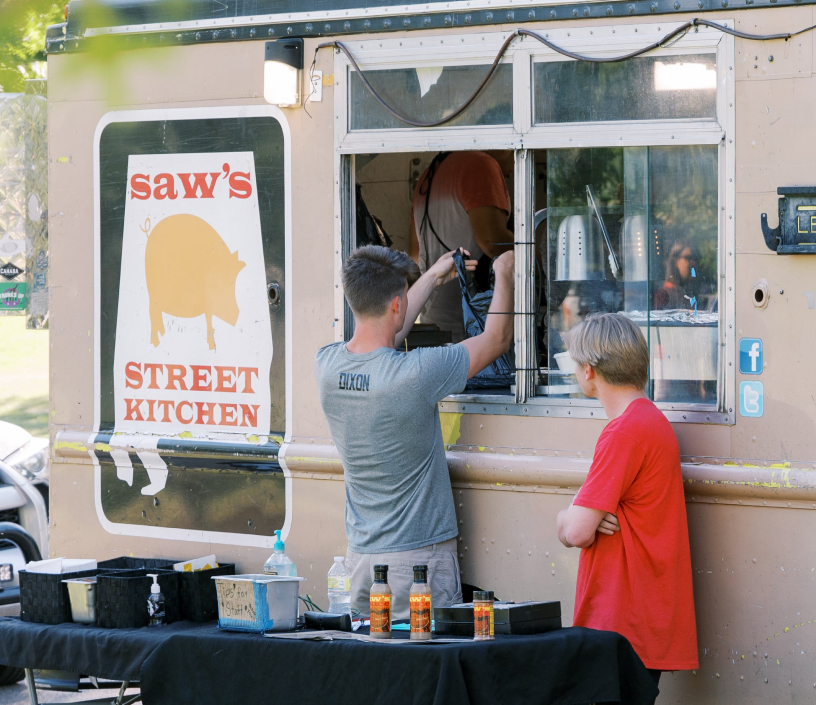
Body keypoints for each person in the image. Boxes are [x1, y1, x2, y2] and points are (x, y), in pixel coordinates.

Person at [315, 245, 515, 619]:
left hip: (359, 561)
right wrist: (505, 271)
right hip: (420, 564)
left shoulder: (326, 366)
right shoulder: (415, 374)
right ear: (397, 304)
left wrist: (434, 276)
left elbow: (384, 334)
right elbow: (497, 339)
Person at [555, 313, 698, 684]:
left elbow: (576, 532)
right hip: (640, 620)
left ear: (588, 370)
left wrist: (568, 515)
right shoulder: (649, 420)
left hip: (618, 620)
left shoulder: (623, 432)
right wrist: (589, 513)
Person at [408, 150, 514, 342]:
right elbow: (492, 243)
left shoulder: (428, 174)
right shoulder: (481, 164)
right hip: (473, 329)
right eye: (512, 152)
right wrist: (541, 258)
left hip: (433, 320)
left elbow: (414, 256)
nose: (515, 162)